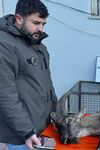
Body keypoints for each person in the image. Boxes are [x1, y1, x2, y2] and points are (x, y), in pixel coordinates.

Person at [0, 0, 58, 149]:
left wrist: (55, 115)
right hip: (22, 135)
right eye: (36, 23)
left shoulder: (36, 44)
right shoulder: (4, 44)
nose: (40, 28)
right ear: (19, 19)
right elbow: (5, 94)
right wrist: (26, 131)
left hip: (40, 128)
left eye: (43, 24)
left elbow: (47, 85)